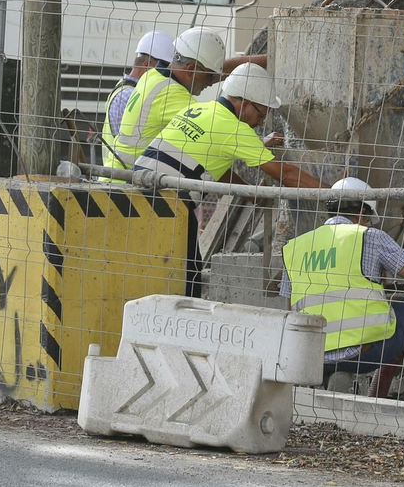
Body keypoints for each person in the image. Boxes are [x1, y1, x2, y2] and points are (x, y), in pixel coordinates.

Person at [135, 62, 322, 296]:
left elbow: (214, 165)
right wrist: (337, 193)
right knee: (188, 280)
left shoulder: (200, 110)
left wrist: (249, 192)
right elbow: (286, 174)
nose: (261, 123)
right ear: (244, 103)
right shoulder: (234, 129)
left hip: (137, 190)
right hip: (169, 204)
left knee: (154, 271)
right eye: (261, 114)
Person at [281, 177, 404, 400]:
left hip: (312, 356)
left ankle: (333, 372)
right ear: (362, 212)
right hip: (364, 352)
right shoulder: (369, 236)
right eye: (368, 217)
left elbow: (290, 304)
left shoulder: (295, 247)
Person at [108, 26, 227, 168]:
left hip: (119, 177)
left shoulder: (151, 77)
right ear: (190, 70)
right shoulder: (171, 94)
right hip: (127, 185)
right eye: (210, 76)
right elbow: (217, 131)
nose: (211, 82)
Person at [100, 31, 174, 170]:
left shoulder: (126, 88)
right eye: (164, 69)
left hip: (125, 178)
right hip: (125, 181)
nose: (168, 75)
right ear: (147, 65)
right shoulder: (129, 95)